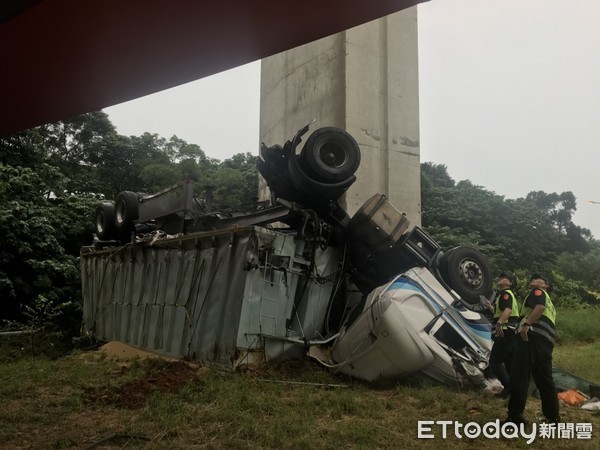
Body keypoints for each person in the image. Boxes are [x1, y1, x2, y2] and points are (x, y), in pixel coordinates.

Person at [503, 273, 559, 424]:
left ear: (545, 285)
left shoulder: (538, 293)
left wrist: (526, 325)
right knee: (545, 381)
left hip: (529, 339)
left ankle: (515, 416)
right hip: (545, 344)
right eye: (532, 278)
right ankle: (552, 418)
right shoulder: (551, 305)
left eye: (539, 279)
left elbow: (539, 307)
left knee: (519, 375)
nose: (533, 280)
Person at [488, 273, 519, 397]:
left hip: (504, 332)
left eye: (504, 278)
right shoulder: (505, 296)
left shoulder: (506, 294)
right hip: (510, 333)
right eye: (500, 277)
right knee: (508, 362)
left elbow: (508, 310)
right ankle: (514, 389)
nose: (500, 279)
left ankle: (508, 387)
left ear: (510, 283)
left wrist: (499, 324)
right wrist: (490, 307)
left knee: (495, 361)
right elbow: (503, 311)